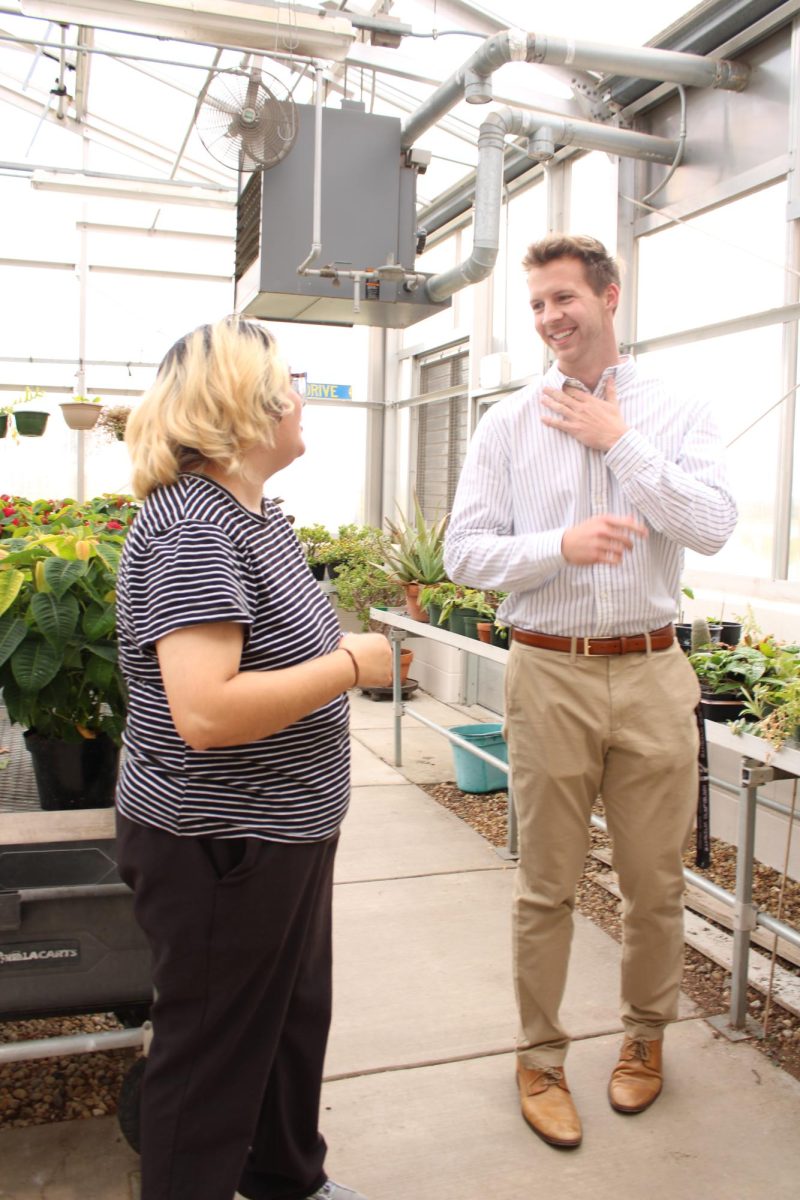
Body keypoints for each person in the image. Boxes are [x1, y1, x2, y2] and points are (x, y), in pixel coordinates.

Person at [443, 234, 736, 1150]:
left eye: (563, 298)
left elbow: (715, 526)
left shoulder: (677, 407)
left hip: (652, 671)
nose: (549, 319)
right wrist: (556, 549)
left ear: (611, 295)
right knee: (546, 886)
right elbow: (463, 553)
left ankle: (644, 1042)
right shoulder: (506, 423)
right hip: (550, 668)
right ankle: (538, 1057)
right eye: (536, 305)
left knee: (654, 886)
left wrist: (623, 445)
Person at [115, 316, 392, 1200]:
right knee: (212, 1055)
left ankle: (286, 1178)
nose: (300, 402)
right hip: (219, 841)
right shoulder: (196, 525)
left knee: (286, 1019)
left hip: (285, 828)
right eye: (286, 387)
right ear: (242, 407)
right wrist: (353, 663)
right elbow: (205, 712)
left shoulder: (253, 515)